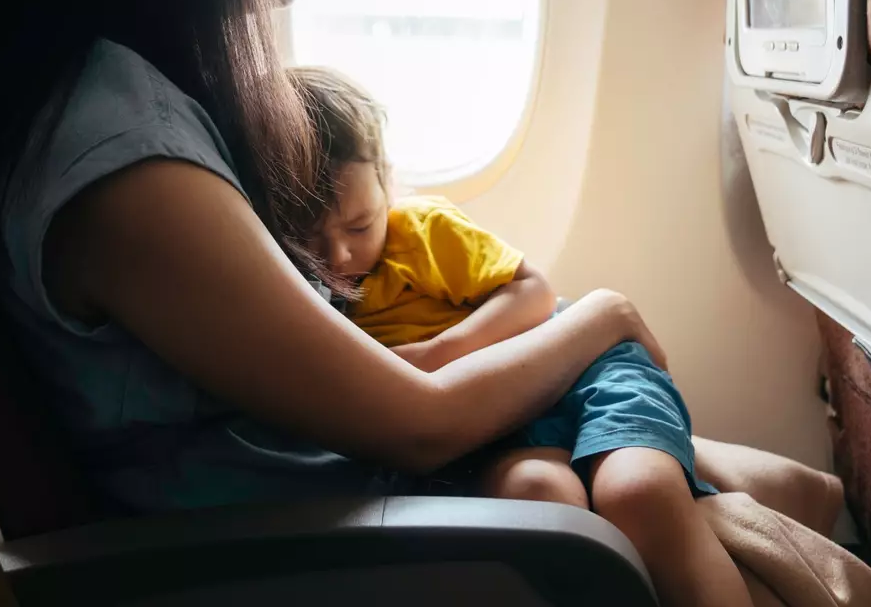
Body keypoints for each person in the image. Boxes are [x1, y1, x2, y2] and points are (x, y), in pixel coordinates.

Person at [0, 0, 667, 515]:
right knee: (676, 517)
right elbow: (421, 424)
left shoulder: (146, 101)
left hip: (351, 498)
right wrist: (602, 315)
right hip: (305, 549)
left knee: (735, 501)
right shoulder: (130, 163)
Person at [292, 67, 751, 607]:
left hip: (580, 367)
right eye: (309, 234)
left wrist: (437, 355)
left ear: (387, 181)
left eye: (359, 226)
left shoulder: (419, 233)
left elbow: (532, 293)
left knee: (640, 492)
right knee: (544, 500)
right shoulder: (296, 293)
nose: (339, 256)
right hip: (498, 423)